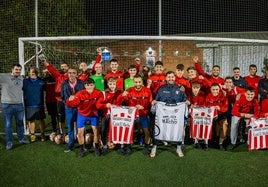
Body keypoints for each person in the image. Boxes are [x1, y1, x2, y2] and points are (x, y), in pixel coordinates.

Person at [150, 71, 188, 158]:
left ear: (175, 78)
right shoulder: (161, 89)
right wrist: (154, 102)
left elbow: (184, 100)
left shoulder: (180, 88)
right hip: (163, 114)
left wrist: (186, 102)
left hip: (176, 115)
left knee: (178, 129)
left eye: (172, 77)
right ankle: (154, 147)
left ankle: (178, 148)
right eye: (169, 77)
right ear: (166, 78)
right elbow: (156, 100)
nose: (171, 78)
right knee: (157, 129)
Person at [66, 78, 103, 158]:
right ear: (85, 86)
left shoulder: (98, 93)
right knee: (80, 132)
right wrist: (69, 100)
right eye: (87, 85)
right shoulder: (80, 94)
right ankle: (82, 149)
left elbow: (100, 104)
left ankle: (96, 148)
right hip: (82, 115)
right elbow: (70, 105)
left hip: (93, 115)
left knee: (96, 131)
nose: (89, 87)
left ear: (94, 85)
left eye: (91, 85)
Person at [0, 64, 30, 150]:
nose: (18, 71)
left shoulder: (21, 78)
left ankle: (21, 138)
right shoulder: (4, 77)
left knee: (20, 123)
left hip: (19, 105)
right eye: (16, 69)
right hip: (7, 105)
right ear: (12, 69)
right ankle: (9, 142)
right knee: (8, 124)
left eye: (19, 69)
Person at [122, 74, 153, 156]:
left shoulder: (147, 90)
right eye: (136, 82)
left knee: (147, 132)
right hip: (132, 116)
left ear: (142, 81)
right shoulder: (128, 90)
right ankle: (128, 147)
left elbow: (150, 103)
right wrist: (122, 96)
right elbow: (123, 104)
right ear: (133, 82)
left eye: (139, 82)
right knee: (129, 131)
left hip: (143, 115)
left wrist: (144, 107)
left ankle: (146, 148)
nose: (138, 84)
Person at [96, 77, 123, 155]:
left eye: (113, 84)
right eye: (110, 84)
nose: (112, 86)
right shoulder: (103, 93)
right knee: (103, 130)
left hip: (116, 116)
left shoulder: (119, 92)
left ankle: (119, 145)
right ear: (107, 84)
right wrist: (105, 105)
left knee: (117, 130)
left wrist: (124, 96)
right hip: (106, 115)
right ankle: (104, 146)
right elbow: (98, 105)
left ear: (116, 84)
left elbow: (123, 101)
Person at [43, 60, 69, 135]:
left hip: (69, 100)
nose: (63, 68)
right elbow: (51, 69)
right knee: (61, 117)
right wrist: (45, 62)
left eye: (65, 67)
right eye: (62, 67)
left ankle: (72, 132)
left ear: (68, 67)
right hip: (59, 100)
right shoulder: (58, 76)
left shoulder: (71, 75)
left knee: (71, 117)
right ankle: (62, 132)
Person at [61, 68, 84, 153]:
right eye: (70, 73)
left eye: (73, 73)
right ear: (67, 74)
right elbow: (62, 96)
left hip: (79, 107)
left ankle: (82, 144)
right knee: (70, 126)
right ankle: (70, 144)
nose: (71, 74)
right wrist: (68, 101)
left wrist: (76, 99)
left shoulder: (81, 83)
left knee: (80, 126)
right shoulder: (64, 83)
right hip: (69, 108)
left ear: (76, 74)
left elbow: (83, 94)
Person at [22, 67, 46, 142]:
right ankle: (32, 135)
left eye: (34, 72)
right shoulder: (25, 81)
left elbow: (47, 90)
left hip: (39, 105)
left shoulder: (41, 81)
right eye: (31, 72)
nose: (32, 74)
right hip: (29, 104)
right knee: (31, 120)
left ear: (36, 73)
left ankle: (42, 134)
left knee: (41, 120)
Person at [205, 83, 228, 150]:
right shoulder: (208, 97)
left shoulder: (223, 96)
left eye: (217, 89)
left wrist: (219, 108)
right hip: (211, 115)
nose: (215, 91)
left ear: (219, 89)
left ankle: (221, 143)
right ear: (210, 90)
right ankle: (208, 140)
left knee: (225, 124)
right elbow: (205, 108)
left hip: (220, 114)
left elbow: (225, 108)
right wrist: (211, 108)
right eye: (213, 89)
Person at [188, 81, 206, 148]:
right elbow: (188, 104)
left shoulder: (202, 95)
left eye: (197, 88)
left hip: (200, 114)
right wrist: (190, 106)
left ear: (199, 88)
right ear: (192, 88)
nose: (195, 90)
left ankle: (203, 139)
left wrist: (196, 106)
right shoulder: (189, 95)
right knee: (194, 124)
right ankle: (195, 141)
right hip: (192, 114)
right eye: (194, 88)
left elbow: (203, 105)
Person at [43, 69, 58, 133]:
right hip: (49, 101)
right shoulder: (44, 80)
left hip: (57, 100)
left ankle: (61, 130)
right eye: (45, 72)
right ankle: (54, 130)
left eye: (47, 72)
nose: (46, 73)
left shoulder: (56, 78)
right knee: (52, 116)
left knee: (59, 116)